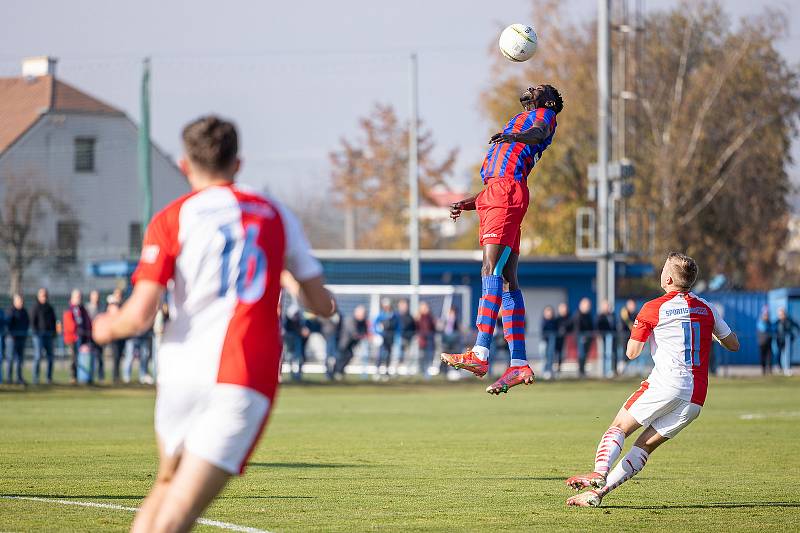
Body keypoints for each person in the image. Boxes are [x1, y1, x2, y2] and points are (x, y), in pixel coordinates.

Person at [91, 115, 335, 533]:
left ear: (185, 165)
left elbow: (138, 315)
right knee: (178, 512)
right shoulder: (274, 213)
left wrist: (104, 326)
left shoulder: (172, 217)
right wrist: (302, 290)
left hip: (180, 371)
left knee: (165, 488)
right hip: (241, 373)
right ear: (238, 164)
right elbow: (320, 304)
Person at [565, 252, 740, 507]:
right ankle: (597, 495)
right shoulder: (707, 308)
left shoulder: (653, 307)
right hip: (695, 398)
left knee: (618, 427)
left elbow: (632, 352)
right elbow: (733, 344)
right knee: (644, 446)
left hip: (666, 384)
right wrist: (706, 332)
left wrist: (641, 329)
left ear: (667, 278)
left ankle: (599, 474)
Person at [443, 84, 563, 394]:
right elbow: (500, 173)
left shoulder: (544, 115)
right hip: (495, 193)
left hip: (506, 192)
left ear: (547, 100)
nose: (530, 90)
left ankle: (481, 352)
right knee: (508, 278)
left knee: (490, 270)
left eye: (538, 89)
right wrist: (467, 203)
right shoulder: (517, 123)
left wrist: (516, 137)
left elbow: (536, 134)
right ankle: (519, 363)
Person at [63, 289, 93, 384]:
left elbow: (87, 321)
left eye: (80, 297)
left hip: (82, 337)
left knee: (83, 358)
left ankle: (84, 377)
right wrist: (77, 330)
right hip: (72, 338)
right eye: (77, 297)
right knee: (74, 358)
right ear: (72, 298)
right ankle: (73, 377)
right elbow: (69, 324)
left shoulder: (82, 309)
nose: (79, 299)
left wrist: (87, 331)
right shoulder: (69, 309)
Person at [331, 305, 369, 380]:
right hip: (344, 342)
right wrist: (359, 335)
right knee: (341, 358)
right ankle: (336, 372)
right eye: (362, 314)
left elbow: (365, 331)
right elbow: (352, 332)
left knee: (349, 356)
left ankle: (339, 372)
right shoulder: (350, 319)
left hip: (351, 344)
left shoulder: (362, 322)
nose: (363, 316)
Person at [31, 288, 57, 384]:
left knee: (50, 357)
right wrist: (36, 333)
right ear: (39, 296)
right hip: (39, 336)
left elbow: (54, 321)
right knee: (38, 356)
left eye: (45, 295)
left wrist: (53, 332)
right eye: (42, 295)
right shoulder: (35, 307)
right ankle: (35, 378)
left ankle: (49, 378)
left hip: (49, 335)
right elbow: (33, 322)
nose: (44, 297)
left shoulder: (50, 307)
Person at [6, 294, 30, 385]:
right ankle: (9, 379)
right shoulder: (10, 311)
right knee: (10, 359)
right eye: (19, 300)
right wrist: (11, 334)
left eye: (22, 300)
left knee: (20, 359)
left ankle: (19, 378)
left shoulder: (24, 312)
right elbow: (8, 325)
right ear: (14, 301)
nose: (21, 302)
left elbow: (27, 323)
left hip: (21, 338)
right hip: (11, 339)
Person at [106, 291, 127, 384]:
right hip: (114, 335)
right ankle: (115, 377)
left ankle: (117, 376)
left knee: (119, 357)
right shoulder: (112, 306)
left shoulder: (123, 305)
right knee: (115, 356)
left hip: (121, 335)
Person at [374, 299, 398, 378]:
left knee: (388, 355)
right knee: (380, 355)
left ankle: (386, 372)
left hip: (390, 338)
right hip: (382, 338)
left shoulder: (394, 316)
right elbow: (374, 325)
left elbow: (398, 327)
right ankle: (377, 371)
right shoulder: (380, 315)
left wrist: (397, 336)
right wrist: (377, 333)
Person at [572, 298, 595, 378]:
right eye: (586, 305)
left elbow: (591, 326)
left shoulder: (589, 315)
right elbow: (576, 328)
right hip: (581, 338)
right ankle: (580, 371)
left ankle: (583, 371)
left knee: (585, 355)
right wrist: (581, 336)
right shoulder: (577, 315)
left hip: (588, 338)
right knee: (581, 354)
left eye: (588, 305)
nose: (587, 307)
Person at [86, 289, 105, 383]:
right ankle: (90, 376)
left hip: (99, 336)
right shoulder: (87, 308)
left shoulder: (102, 307)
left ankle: (101, 377)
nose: (96, 298)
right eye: (94, 296)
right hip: (90, 336)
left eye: (97, 296)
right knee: (90, 357)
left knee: (100, 357)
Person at [774, 307, 799, 376]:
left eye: (782, 314)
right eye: (780, 314)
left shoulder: (789, 320)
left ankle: (788, 368)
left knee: (788, 355)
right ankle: (779, 367)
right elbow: (774, 330)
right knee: (778, 354)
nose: (781, 315)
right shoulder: (777, 322)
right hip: (779, 340)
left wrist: (795, 334)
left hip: (788, 340)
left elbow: (796, 326)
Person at [416, 301, 437, 378]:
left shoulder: (430, 318)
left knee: (429, 356)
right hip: (422, 341)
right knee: (422, 357)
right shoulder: (418, 317)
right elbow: (416, 328)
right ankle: (422, 371)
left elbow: (433, 328)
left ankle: (427, 372)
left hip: (430, 340)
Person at [396, 299, 417, 369]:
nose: (403, 307)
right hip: (397, 339)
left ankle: (406, 368)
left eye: (404, 305)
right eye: (401, 305)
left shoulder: (410, 317)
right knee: (398, 354)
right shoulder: (395, 316)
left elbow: (413, 327)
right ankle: (397, 367)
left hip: (407, 338)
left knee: (407, 355)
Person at [597, 300, 616, 377]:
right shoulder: (600, 316)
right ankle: (604, 371)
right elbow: (598, 326)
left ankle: (611, 370)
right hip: (604, 337)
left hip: (612, 337)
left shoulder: (612, 315)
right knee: (604, 354)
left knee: (612, 353)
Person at [540, 306, 558, 379]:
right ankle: (544, 371)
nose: (548, 314)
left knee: (550, 356)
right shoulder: (543, 321)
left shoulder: (554, 321)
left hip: (551, 341)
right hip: (544, 341)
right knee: (544, 356)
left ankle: (549, 371)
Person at [554, 302, 570, 377]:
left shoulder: (569, 318)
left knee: (560, 355)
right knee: (553, 354)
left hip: (563, 340)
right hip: (555, 340)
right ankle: (551, 369)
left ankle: (558, 369)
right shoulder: (556, 319)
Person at [756, 308, 774, 375]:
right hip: (761, 343)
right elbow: (763, 328)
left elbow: (773, 329)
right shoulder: (761, 322)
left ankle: (770, 371)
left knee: (769, 357)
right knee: (762, 357)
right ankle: (763, 371)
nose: (766, 316)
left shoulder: (769, 322)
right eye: (765, 315)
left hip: (769, 342)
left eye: (767, 315)